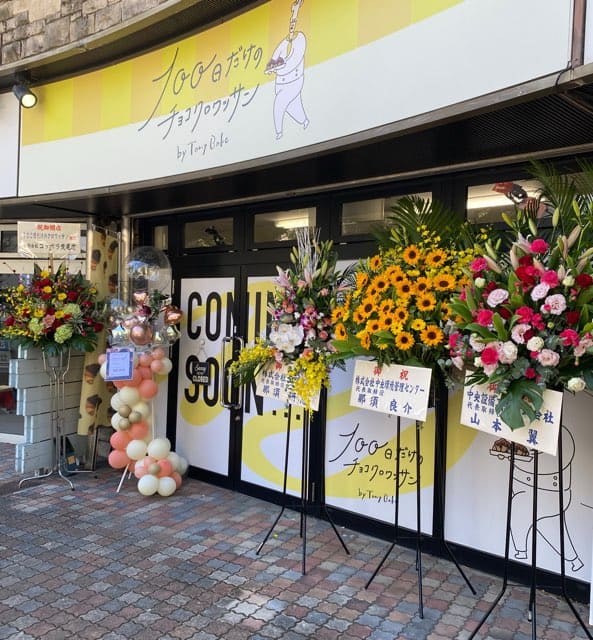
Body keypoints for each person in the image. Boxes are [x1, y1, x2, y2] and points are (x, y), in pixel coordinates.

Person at [266, 0, 309, 139]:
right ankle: (304, 121)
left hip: (294, 81)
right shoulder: (283, 44)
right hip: (281, 84)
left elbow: (293, 61)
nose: (291, 26)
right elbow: (275, 58)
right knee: (294, 107)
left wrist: (279, 67)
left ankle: (279, 133)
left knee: (279, 105)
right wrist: (274, 66)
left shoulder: (301, 40)